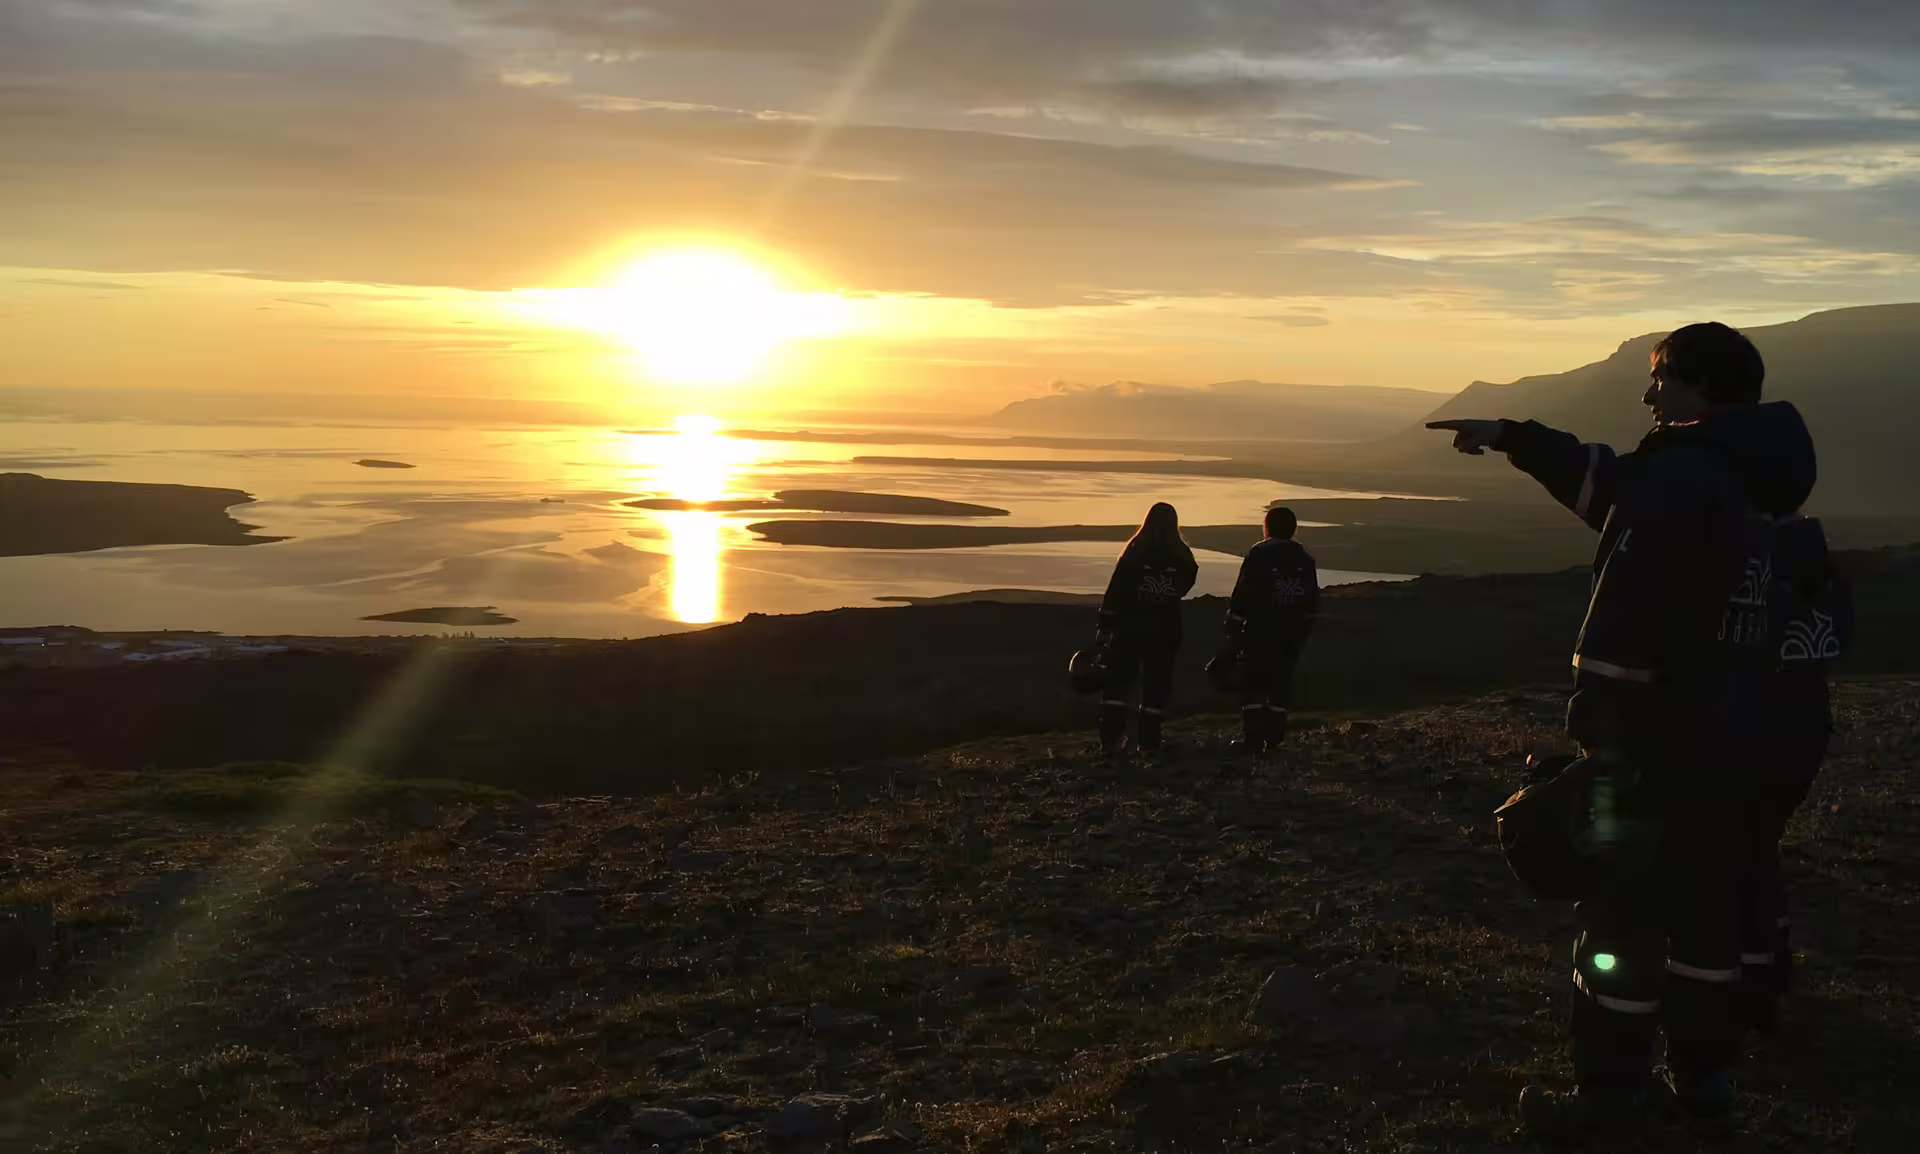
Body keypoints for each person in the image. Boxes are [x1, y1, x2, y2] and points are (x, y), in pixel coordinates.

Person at [1429, 321, 1823, 1136]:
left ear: (1698, 387)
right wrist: (1518, 439)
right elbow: (1609, 484)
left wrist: (1596, 748)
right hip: (1742, 752)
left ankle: (1608, 1099)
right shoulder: (1756, 485)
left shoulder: (1682, 481)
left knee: (1618, 917)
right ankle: (1705, 1084)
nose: (1647, 394)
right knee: (1710, 920)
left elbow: (1624, 624)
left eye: (1659, 378)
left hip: (1652, 756)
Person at [1094, 502, 1198, 755]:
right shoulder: (1182, 555)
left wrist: (1106, 624)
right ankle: (1149, 742)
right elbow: (1187, 581)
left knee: (1118, 683)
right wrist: (1164, 595)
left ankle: (1110, 740)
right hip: (1166, 629)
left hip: (1129, 627)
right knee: (1156, 685)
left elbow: (1116, 589)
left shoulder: (1134, 550)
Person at [1225, 506, 1319, 762]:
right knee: (1281, 682)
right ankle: (1274, 738)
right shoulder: (1305, 559)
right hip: (1291, 632)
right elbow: (1312, 600)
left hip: (1260, 630)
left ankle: (1253, 738)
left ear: (1267, 527)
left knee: (1254, 681)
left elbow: (1244, 592)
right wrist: (1304, 630)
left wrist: (1233, 624)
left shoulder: (1259, 554)